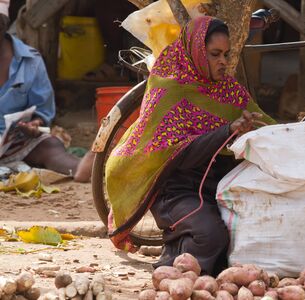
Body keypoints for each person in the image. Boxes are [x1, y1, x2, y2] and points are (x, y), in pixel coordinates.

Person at [105, 16, 275, 275]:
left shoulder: (228, 90)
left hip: (215, 186)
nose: (223, 62)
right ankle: (172, 257)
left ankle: (187, 251)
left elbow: (267, 127)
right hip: (173, 189)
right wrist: (227, 132)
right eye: (215, 54)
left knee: (252, 235)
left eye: (226, 54)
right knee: (212, 236)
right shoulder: (170, 88)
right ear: (197, 50)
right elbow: (177, 156)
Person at [0, 1, 93, 182]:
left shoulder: (30, 60)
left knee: (50, 145)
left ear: (3, 25)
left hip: (15, 142)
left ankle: (80, 168)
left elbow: (43, 110)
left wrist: (35, 124)